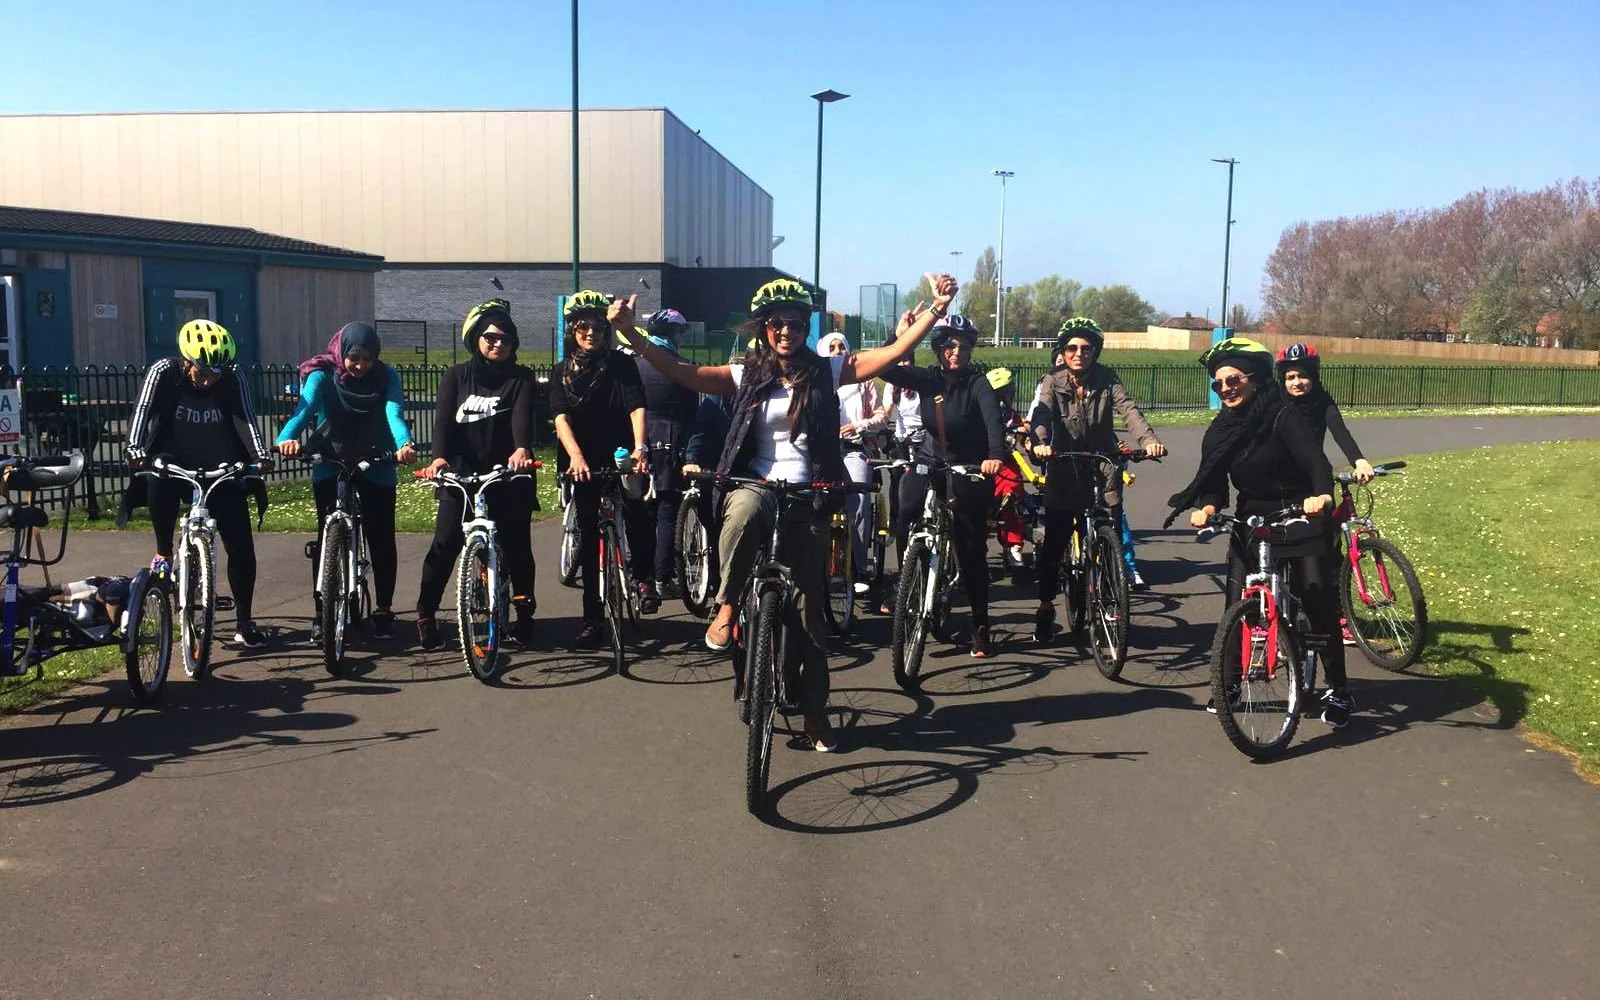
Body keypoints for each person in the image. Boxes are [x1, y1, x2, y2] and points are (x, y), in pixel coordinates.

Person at [624, 273, 959, 751]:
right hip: (757, 483)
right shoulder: (745, 373)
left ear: (806, 327)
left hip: (810, 493)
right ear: (763, 328)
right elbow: (684, 372)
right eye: (777, 323)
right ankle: (726, 605)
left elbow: (885, 356)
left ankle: (815, 716)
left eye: (796, 323)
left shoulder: (825, 370)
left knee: (808, 618)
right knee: (741, 513)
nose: (787, 331)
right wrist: (633, 333)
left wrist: (936, 309)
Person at [1164, 337, 1353, 728]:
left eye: (1232, 380)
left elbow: (1317, 462)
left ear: (1254, 380)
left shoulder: (1283, 415)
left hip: (1299, 512)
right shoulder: (1220, 430)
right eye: (1218, 384)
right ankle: (1230, 683)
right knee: (1235, 603)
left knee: (1318, 600)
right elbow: (1214, 479)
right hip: (1252, 520)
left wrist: (1320, 495)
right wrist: (1210, 506)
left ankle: (1339, 689)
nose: (1225, 389)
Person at [125, 319, 272, 648]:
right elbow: (143, 410)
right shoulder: (164, 371)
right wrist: (135, 448)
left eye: (215, 375)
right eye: (202, 372)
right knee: (157, 481)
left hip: (220, 467)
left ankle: (244, 621)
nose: (208, 381)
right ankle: (163, 553)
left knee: (242, 548)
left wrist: (259, 456)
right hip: (173, 462)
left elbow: (246, 418)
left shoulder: (233, 378)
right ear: (186, 361)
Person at [275, 322, 418, 641]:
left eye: (367, 359)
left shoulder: (386, 377)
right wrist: (287, 438)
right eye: (354, 357)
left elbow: (394, 413)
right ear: (342, 352)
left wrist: (404, 445)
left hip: (377, 458)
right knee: (326, 536)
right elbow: (305, 409)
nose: (360, 365)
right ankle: (320, 613)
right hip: (331, 457)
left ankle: (383, 608)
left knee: (381, 535)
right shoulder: (322, 374)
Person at [1028, 317, 1165, 642]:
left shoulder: (1107, 379)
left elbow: (1129, 409)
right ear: (1064, 350)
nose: (1079, 353)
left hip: (1102, 463)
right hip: (1063, 462)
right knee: (1054, 546)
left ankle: (1110, 593)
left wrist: (1148, 441)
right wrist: (1041, 441)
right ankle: (1046, 607)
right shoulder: (1053, 380)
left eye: (1086, 348)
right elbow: (1043, 412)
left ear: (1095, 351)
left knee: (1111, 534)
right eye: (1072, 347)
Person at [878, 313, 1006, 658]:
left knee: (970, 548)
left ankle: (980, 625)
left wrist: (995, 456)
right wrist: (898, 336)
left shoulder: (977, 383)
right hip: (932, 457)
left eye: (963, 345)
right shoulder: (929, 378)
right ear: (937, 348)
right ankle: (910, 575)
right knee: (906, 506)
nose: (956, 351)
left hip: (970, 463)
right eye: (949, 344)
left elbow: (993, 420)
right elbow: (885, 368)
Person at [415, 299, 539, 650]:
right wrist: (439, 458)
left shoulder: (521, 378)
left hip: (507, 473)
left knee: (517, 546)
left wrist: (521, 449)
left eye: (505, 339)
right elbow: (443, 420)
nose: (497, 344)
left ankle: (524, 615)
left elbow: (522, 416)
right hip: (463, 475)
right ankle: (425, 614)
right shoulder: (457, 376)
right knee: (444, 544)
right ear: (476, 339)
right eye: (490, 337)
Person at [548, 290, 648, 649]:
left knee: (638, 507)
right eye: (583, 326)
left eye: (598, 327)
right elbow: (560, 417)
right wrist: (575, 456)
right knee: (590, 539)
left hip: (620, 451)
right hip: (581, 459)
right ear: (572, 329)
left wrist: (640, 447)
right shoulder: (562, 371)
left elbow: (636, 406)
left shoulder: (621, 364)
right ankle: (592, 618)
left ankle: (644, 579)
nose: (591, 333)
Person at [1277, 341, 1374, 643]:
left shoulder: (1321, 399)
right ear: (1282, 379)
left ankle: (1338, 617)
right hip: (1282, 481)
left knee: (1329, 552)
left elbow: (1339, 429)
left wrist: (1358, 460)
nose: (1297, 383)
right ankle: (1275, 619)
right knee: (1283, 551)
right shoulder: (1275, 401)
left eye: (1302, 376)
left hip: (1315, 480)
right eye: (1290, 377)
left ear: (1314, 377)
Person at [621, 308, 699, 611]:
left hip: (636, 443)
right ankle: (663, 577)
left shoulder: (633, 367)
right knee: (668, 509)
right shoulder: (683, 367)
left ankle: (639, 571)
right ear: (674, 335)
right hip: (670, 441)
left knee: (640, 510)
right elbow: (691, 413)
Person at [818, 331, 889, 594]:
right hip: (823, 451)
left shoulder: (864, 381)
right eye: (832, 347)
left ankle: (859, 566)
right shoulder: (817, 379)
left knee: (857, 502)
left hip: (854, 448)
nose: (838, 351)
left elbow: (881, 416)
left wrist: (859, 425)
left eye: (842, 346)